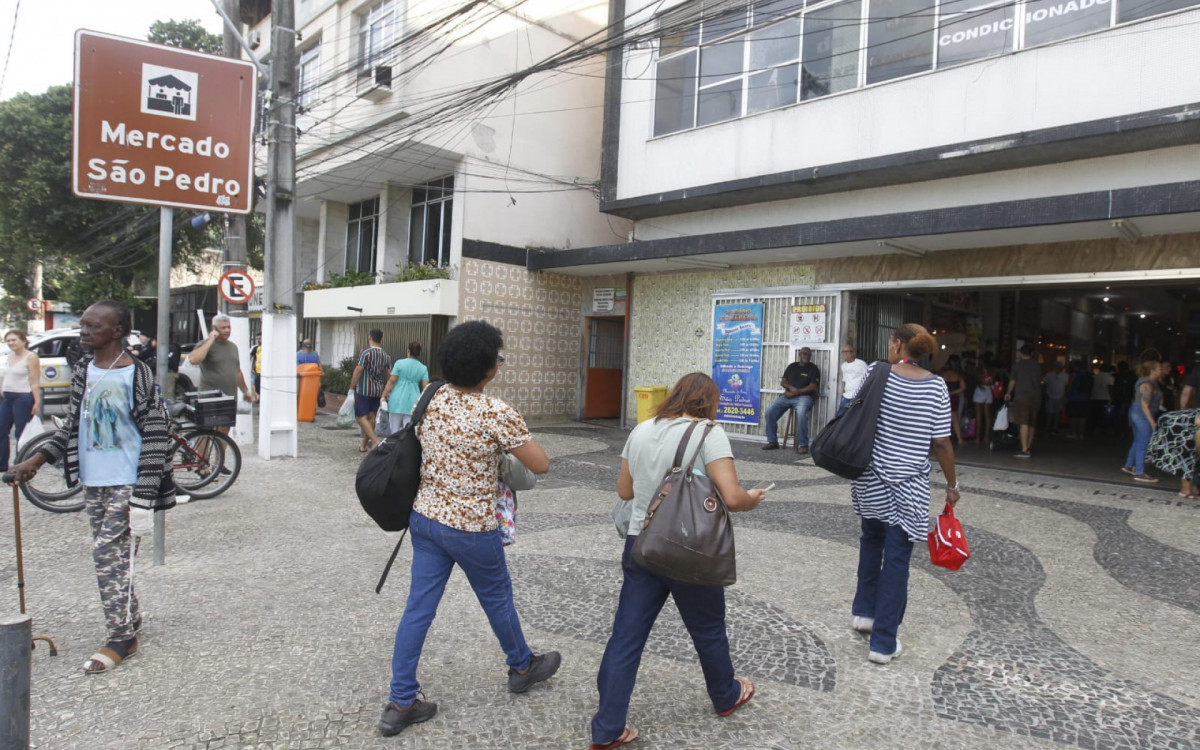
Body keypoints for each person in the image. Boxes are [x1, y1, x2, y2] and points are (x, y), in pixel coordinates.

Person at [381, 321, 555, 737]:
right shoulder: (497, 412)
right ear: (489, 370)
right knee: (497, 598)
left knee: (417, 609)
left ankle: (400, 701)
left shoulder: (430, 395)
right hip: (472, 527)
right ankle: (522, 665)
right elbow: (540, 464)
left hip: (425, 519)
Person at [590, 372, 766, 750]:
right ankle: (725, 694)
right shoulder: (708, 433)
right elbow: (733, 498)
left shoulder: (642, 429)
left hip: (642, 546)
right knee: (708, 627)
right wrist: (753, 497)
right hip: (690, 550)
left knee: (626, 635)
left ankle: (607, 728)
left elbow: (625, 490)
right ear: (709, 402)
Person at [7, 300, 176, 674]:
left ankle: (121, 638)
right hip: (93, 481)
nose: (83, 331)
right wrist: (35, 461)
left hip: (126, 481)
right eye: (83, 325)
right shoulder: (85, 369)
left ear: (116, 331)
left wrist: (144, 495)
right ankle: (131, 618)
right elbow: (74, 424)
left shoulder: (139, 374)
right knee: (114, 558)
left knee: (105, 555)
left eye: (91, 326)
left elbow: (156, 432)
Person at [849, 323, 957, 665]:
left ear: (897, 344)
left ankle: (864, 614)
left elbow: (856, 410)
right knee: (896, 558)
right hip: (909, 486)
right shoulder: (937, 386)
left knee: (870, 540)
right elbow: (941, 442)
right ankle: (883, 642)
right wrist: (952, 486)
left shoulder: (875, 372)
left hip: (871, 478)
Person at [187, 314, 257, 435]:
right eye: (223, 328)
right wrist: (210, 340)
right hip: (209, 395)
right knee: (205, 431)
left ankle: (220, 454)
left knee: (224, 430)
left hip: (229, 396)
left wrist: (246, 391)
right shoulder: (206, 344)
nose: (227, 330)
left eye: (229, 327)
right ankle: (202, 455)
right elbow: (194, 359)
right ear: (214, 329)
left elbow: (237, 371)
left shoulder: (233, 347)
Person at [762, 347, 820, 453]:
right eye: (804, 354)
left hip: (804, 397)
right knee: (770, 412)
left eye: (808, 355)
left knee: (801, 414)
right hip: (788, 396)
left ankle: (803, 444)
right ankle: (772, 441)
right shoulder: (792, 366)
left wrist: (796, 392)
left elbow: (813, 387)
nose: (807, 356)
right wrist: (792, 389)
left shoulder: (813, 369)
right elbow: (783, 382)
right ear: (800, 354)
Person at [1, 330, 41, 472]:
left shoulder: (31, 357)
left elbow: (35, 382)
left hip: (22, 397)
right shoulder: (9, 356)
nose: (11, 343)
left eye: (14, 340)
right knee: (2, 430)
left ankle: (21, 462)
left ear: (23, 341)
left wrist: (37, 402)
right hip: (7, 397)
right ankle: (2, 464)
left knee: (21, 432)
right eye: (9, 341)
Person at [1122, 358, 1163, 484]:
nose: (1161, 370)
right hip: (1141, 413)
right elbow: (1145, 405)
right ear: (1153, 370)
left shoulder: (1148, 382)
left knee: (1138, 441)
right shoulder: (1147, 384)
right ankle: (1140, 472)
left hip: (1136, 412)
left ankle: (1129, 465)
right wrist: (1152, 422)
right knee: (1143, 443)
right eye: (1159, 368)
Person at [349, 329, 392, 452]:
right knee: (372, 417)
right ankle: (363, 445)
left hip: (364, 389)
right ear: (381, 339)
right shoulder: (386, 355)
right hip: (378, 390)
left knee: (360, 417)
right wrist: (386, 391)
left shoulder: (365, 352)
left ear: (369, 337)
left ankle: (375, 441)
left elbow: (359, 369)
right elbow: (389, 373)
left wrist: (352, 386)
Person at [1146, 407, 1200, 499]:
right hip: (1176, 427)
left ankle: (1194, 488)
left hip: (1185, 425)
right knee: (1186, 457)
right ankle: (1186, 491)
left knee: (1191, 458)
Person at [381, 341, 430, 434]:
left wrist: (383, 395)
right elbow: (425, 387)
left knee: (394, 430)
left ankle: (394, 448)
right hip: (413, 401)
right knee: (408, 432)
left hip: (397, 399)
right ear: (418, 353)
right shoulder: (423, 368)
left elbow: (392, 381)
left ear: (408, 351)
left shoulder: (399, 363)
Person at [1004, 344, 1043, 459]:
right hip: (1036, 397)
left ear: (1021, 353)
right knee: (1032, 423)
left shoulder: (1017, 366)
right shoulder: (1037, 366)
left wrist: (1008, 392)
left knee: (1023, 423)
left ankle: (1024, 449)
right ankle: (1028, 447)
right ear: (1031, 354)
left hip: (1022, 397)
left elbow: (1012, 381)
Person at [938, 355, 966, 442]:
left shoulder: (943, 373)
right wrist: (953, 392)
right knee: (955, 418)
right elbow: (963, 387)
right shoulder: (958, 375)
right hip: (953, 398)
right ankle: (960, 439)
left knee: (941, 418)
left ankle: (941, 437)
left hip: (943, 396)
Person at [838, 343, 868, 416]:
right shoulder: (843, 366)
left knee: (856, 417)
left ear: (852, 352)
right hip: (847, 396)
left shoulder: (861, 364)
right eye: (844, 352)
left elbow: (867, 379)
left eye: (847, 351)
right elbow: (845, 381)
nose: (845, 354)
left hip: (858, 396)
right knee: (839, 416)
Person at [1065, 360, 1091, 440]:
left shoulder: (1073, 374)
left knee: (1074, 417)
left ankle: (1074, 433)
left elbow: (1069, 386)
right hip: (1084, 398)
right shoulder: (1086, 374)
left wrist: (1066, 395)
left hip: (1074, 398)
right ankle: (1081, 434)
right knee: (1082, 417)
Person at [971, 361, 995, 446]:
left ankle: (977, 438)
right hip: (989, 391)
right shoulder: (991, 371)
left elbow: (976, 381)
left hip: (979, 391)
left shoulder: (978, 371)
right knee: (988, 417)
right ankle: (986, 438)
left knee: (979, 416)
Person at [1043, 360, 1069, 434]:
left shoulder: (1065, 376)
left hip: (1060, 396)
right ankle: (1048, 427)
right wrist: (1045, 394)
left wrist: (1065, 396)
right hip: (1050, 396)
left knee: (1057, 413)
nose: (1057, 368)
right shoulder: (1049, 374)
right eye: (1056, 366)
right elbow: (1045, 384)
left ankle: (1055, 427)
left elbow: (1067, 386)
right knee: (1049, 412)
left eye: (1059, 367)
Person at [1088, 363, 1115, 434]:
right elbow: (1110, 389)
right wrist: (1111, 398)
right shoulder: (1110, 378)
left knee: (1094, 415)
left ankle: (1091, 429)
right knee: (1104, 416)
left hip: (1094, 397)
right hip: (1105, 398)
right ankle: (1103, 430)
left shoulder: (1094, 377)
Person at [1112, 360, 1137, 436]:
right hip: (1128, 397)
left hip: (1120, 397)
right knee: (1124, 415)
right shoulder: (1132, 376)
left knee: (1119, 415)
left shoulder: (1118, 376)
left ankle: (1119, 430)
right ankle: (1124, 430)